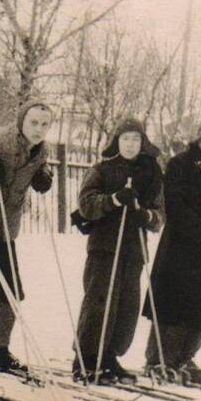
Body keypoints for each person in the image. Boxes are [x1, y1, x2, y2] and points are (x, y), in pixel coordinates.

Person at [142, 111, 201, 386]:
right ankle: (159, 360)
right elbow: (177, 209)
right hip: (180, 247)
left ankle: (184, 359)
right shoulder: (180, 164)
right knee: (173, 307)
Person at [72, 118, 164, 385]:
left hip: (134, 248)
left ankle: (110, 356)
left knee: (126, 306)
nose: (131, 144)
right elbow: (86, 204)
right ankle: (86, 360)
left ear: (143, 142)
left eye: (136, 139)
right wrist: (112, 200)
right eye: (126, 138)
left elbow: (160, 214)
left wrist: (144, 216)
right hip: (105, 247)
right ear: (116, 141)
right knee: (100, 302)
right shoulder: (102, 169)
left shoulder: (152, 172)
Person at [0, 100, 54, 379]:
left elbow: (40, 173)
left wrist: (44, 176)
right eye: (33, 122)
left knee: (11, 291)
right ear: (21, 121)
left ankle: (0, 350)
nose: (38, 129)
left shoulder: (42, 150)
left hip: (6, 229)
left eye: (44, 124)